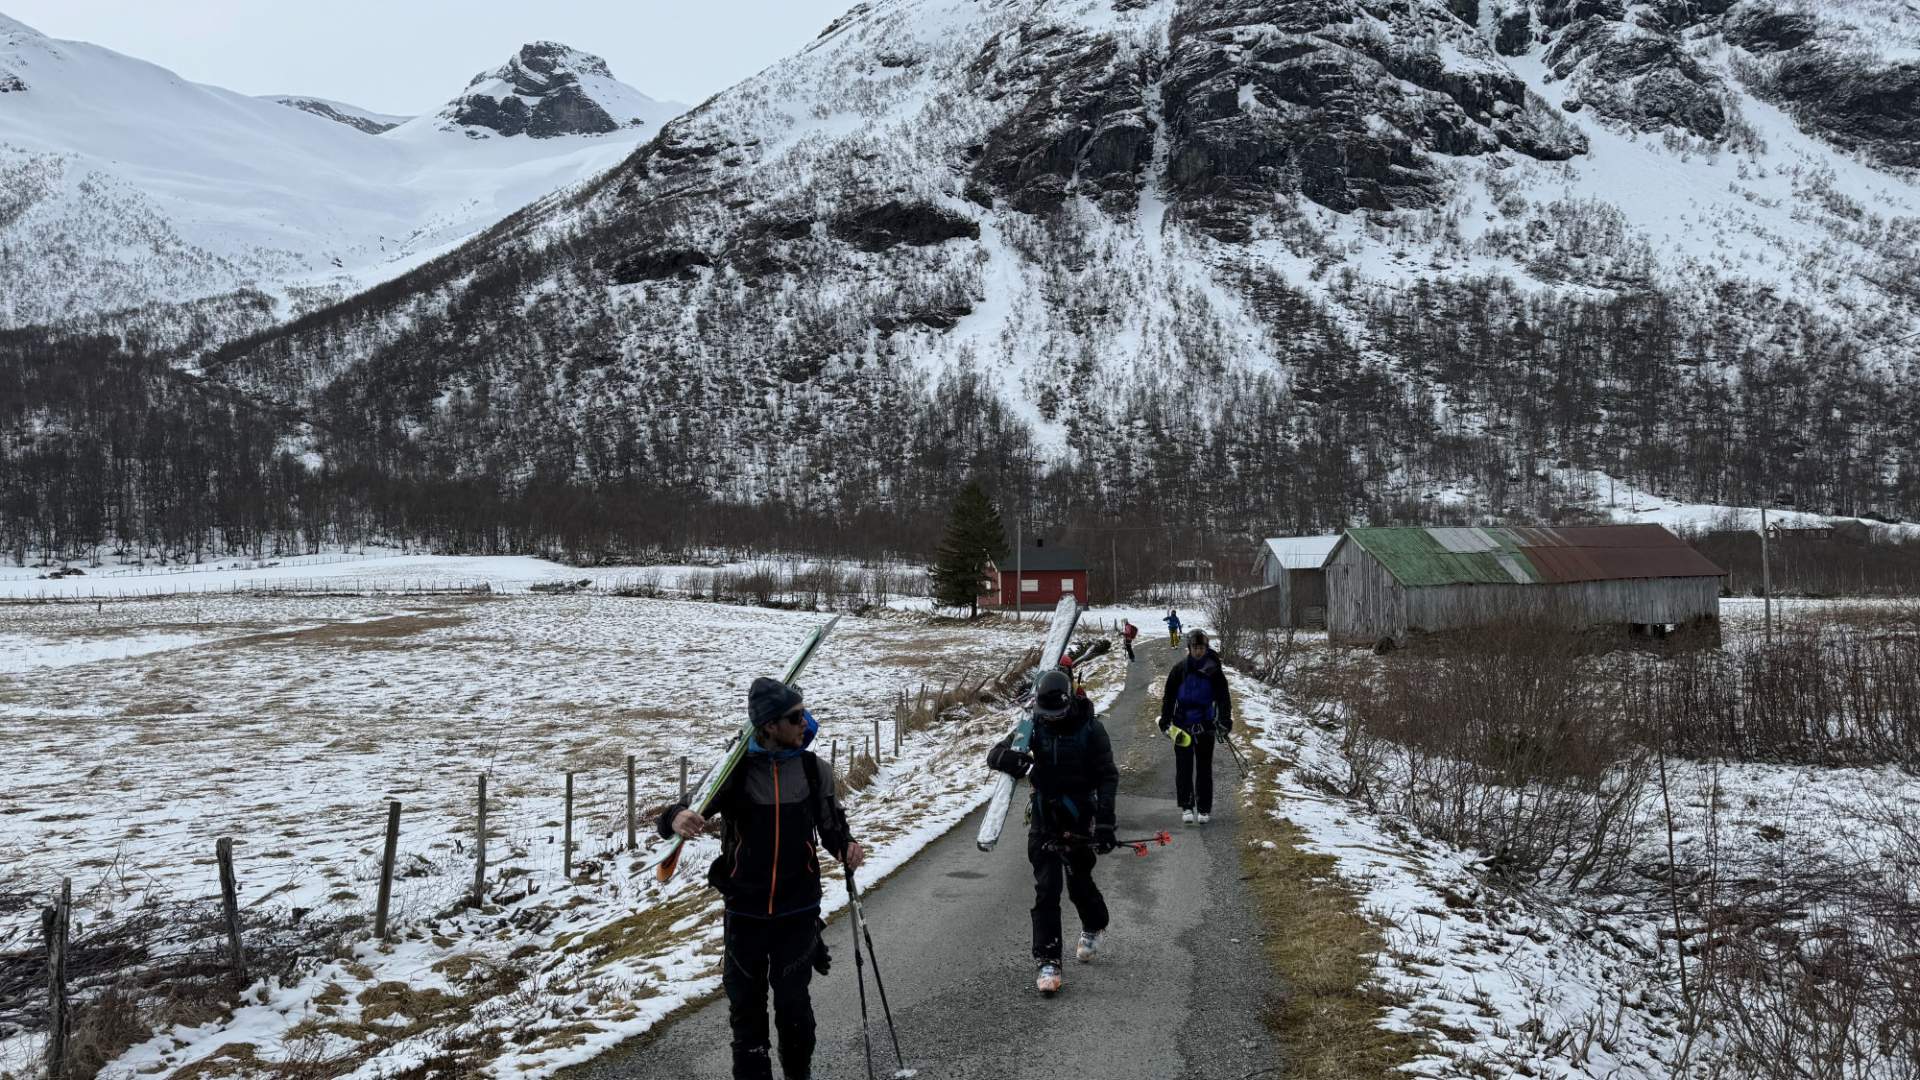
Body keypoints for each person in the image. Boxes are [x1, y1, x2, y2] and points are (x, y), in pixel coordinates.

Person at [658, 678, 865, 1080]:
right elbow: (678, 813)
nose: (805, 722)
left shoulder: (812, 768)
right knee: (747, 1019)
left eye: (804, 713)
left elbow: (833, 828)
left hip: (797, 911)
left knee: (794, 1012)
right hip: (745, 914)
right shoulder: (732, 773)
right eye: (795, 717)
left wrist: (847, 847)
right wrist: (675, 818)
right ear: (769, 725)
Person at [986, 669, 1120, 995]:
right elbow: (996, 754)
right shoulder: (1033, 726)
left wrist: (1104, 824)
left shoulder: (1092, 729)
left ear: (1070, 702)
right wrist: (1020, 764)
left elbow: (1107, 777)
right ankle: (1048, 960)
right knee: (1046, 889)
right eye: (1047, 715)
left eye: (1057, 714)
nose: (1053, 719)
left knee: (1079, 882)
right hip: (1044, 819)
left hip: (1078, 819)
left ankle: (1093, 924)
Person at [1158, 628, 1232, 825]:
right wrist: (1165, 721)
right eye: (1195, 647)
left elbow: (1224, 698)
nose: (1198, 651)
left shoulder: (1214, 672)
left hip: (1205, 725)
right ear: (1189, 648)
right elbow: (1169, 698)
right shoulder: (1179, 670)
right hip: (1181, 725)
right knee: (1183, 767)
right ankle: (1187, 806)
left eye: (1201, 648)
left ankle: (1205, 808)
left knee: (1204, 768)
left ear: (1206, 648)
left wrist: (1225, 721)